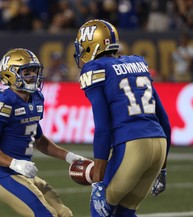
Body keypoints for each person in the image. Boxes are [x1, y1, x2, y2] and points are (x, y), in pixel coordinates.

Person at [73, 19, 171, 217]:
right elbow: (164, 119)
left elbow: (102, 127)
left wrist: (98, 181)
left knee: (100, 209)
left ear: (93, 45)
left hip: (131, 145)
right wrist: (163, 167)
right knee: (125, 213)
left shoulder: (95, 69)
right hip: (159, 144)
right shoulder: (137, 63)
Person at [0, 48, 84, 217]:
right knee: (46, 215)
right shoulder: (2, 99)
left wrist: (69, 156)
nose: (33, 76)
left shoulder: (36, 98)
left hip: (25, 175)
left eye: (34, 71)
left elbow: (39, 140)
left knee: (64, 214)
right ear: (10, 74)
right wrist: (14, 163)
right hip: (5, 176)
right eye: (26, 72)